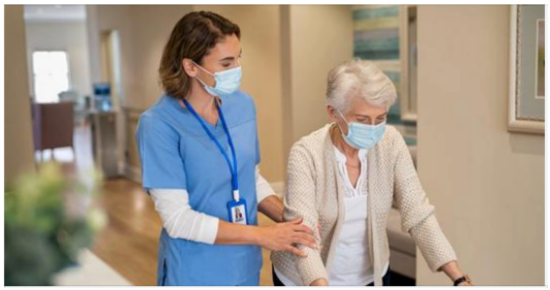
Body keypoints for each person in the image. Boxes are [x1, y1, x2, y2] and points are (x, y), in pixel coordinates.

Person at [135, 11, 316, 286]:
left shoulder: (242, 104)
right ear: (191, 66)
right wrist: (264, 235)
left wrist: (290, 220)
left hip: (244, 263)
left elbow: (249, 177)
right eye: (227, 62)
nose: (237, 69)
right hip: (195, 268)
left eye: (239, 58)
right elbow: (178, 220)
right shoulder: (158, 125)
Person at [271, 59, 473, 286]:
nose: (374, 128)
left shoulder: (391, 142)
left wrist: (458, 277)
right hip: (305, 279)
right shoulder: (306, 154)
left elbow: (418, 211)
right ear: (334, 113)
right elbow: (303, 237)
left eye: (381, 118)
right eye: (363, 120)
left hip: (369, 276)